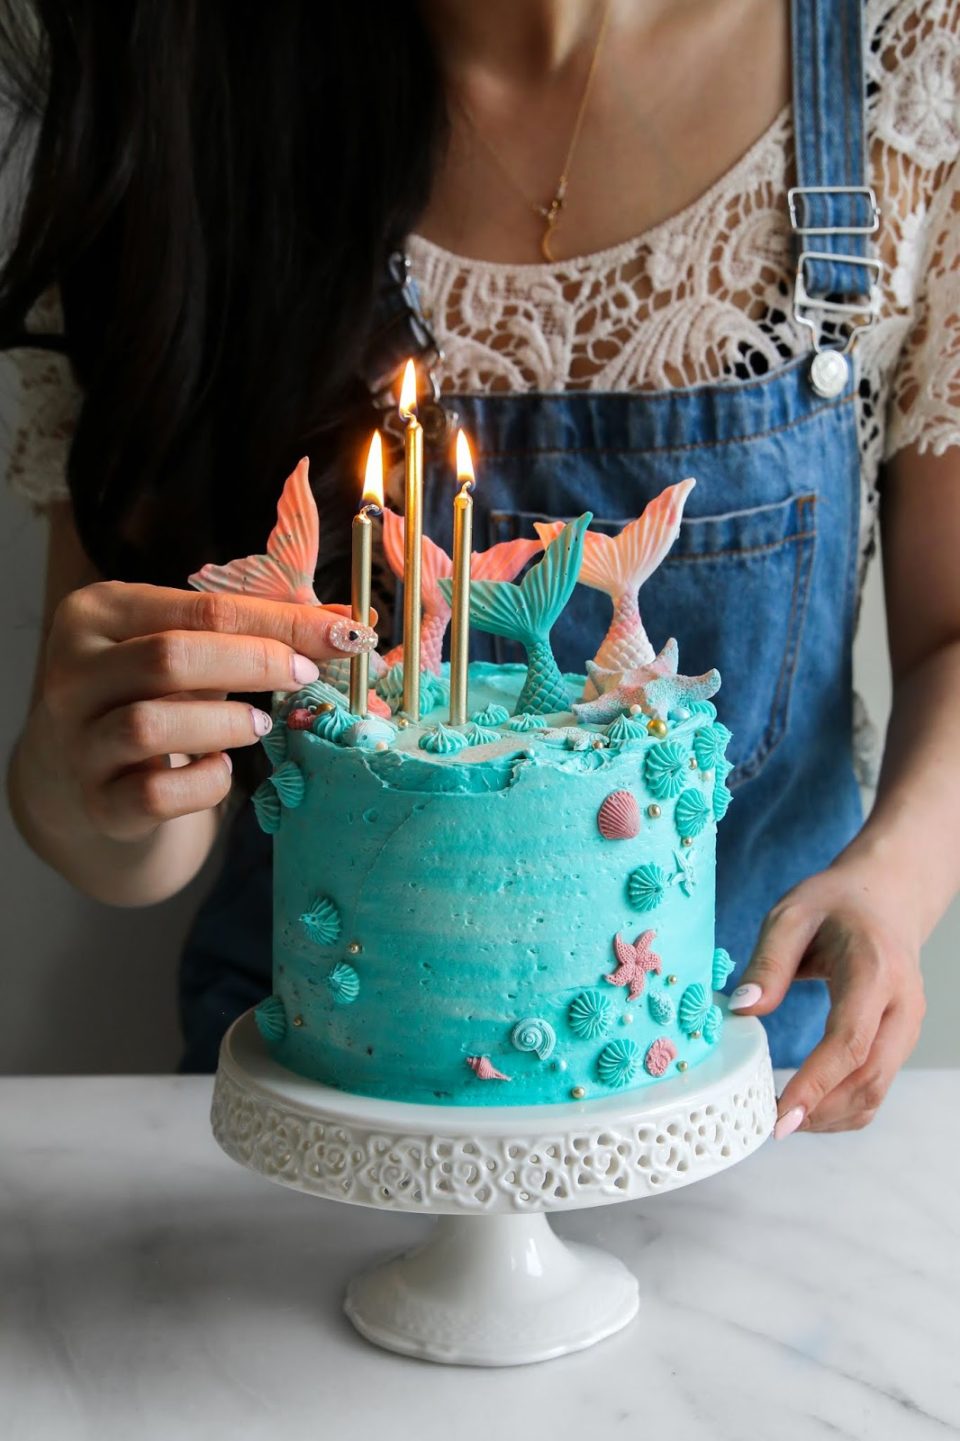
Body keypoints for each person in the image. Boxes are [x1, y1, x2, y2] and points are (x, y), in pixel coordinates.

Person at [3, 0, 958, 1139]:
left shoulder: (900, 72)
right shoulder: (184, 83)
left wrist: (893, 884)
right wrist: (88, 786)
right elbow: (153, 817)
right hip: (306, 1127)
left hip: (740, 1115)